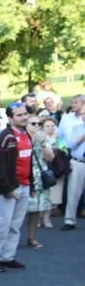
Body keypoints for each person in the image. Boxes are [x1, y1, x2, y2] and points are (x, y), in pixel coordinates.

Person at [0, 102, 32, 272]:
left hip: (24, 185)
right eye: (19, 115)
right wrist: (8, 188)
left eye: (25, 114)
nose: (24, 117)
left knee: (15, 224)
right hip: (9, 188)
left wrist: (32, 184)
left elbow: (28, 162)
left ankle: (7, 256)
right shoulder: (5, 136)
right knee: (2, 223)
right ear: (10, 118)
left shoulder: (26, 135)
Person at [24, 115, 55, 248]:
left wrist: (42, 144)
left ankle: (32, 238)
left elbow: (50, 157)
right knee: (16, 211)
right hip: (23, 176)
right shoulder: (21, 137)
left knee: (35, 210)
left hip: (38, 177)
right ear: (26, 125)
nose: (36, 126)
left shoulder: (43, 138)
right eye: (33, 123)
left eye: (38, 124)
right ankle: (8, 240)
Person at [60, 95, 85, 230]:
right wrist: (65, 157)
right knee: (73, 191)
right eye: (72, 102)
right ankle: (70, 220)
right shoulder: (67, 118)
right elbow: (60, 138)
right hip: (77, 160)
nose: (73, 104)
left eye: (76, 102)